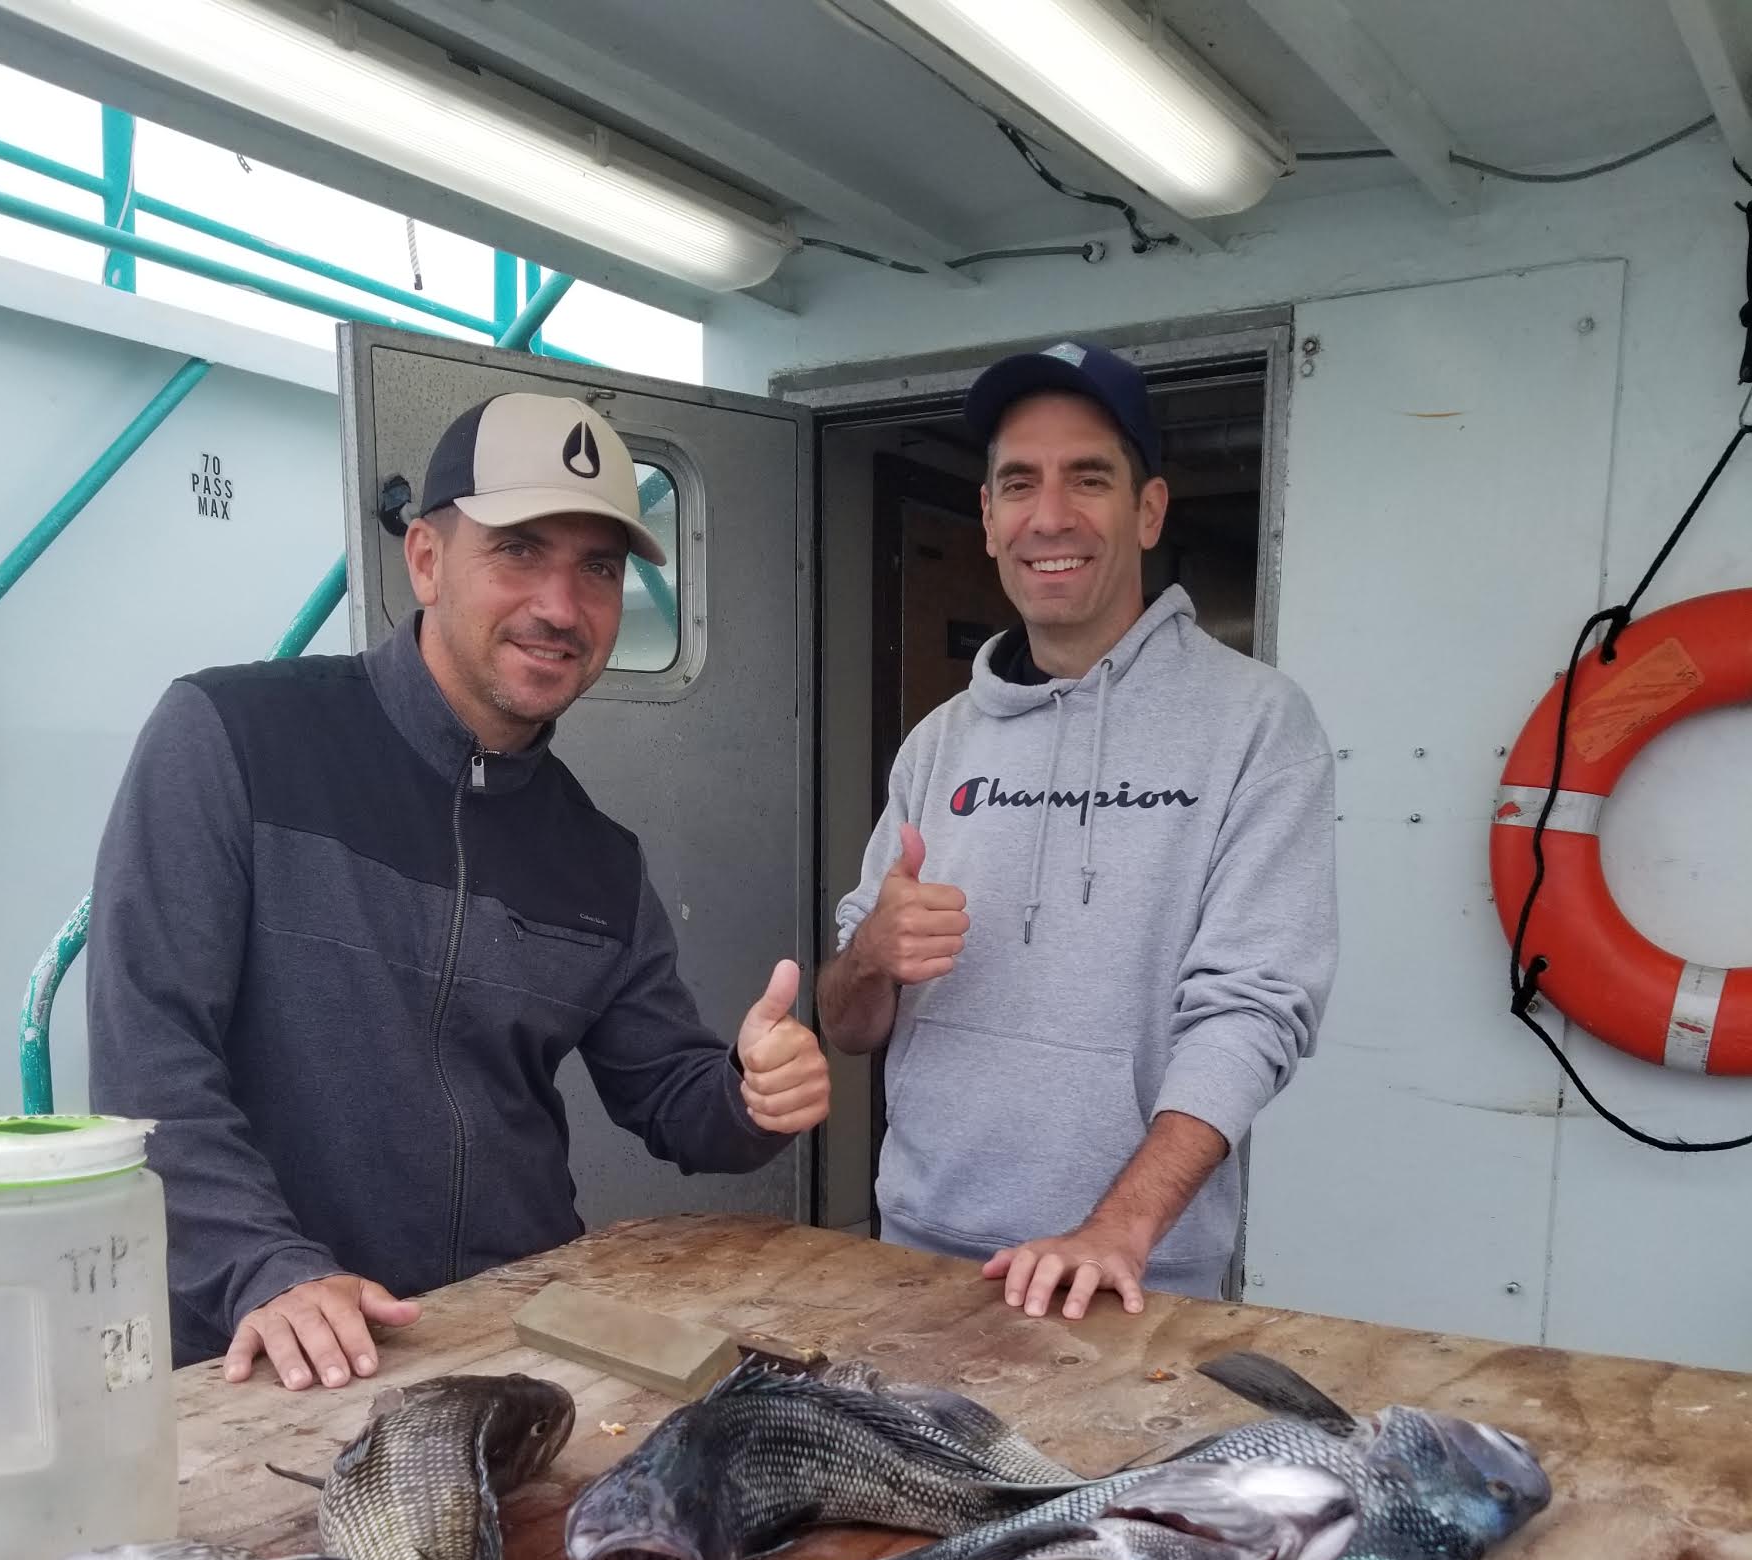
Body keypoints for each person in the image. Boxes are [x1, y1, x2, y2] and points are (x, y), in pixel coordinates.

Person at [89, 390, 829, 1389]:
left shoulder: (597, 856)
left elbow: (669, 1094)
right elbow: (149, 1069)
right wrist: (267, 1268)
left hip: (509, 1346)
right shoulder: (229, 739)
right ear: (427, 559)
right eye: (518, 550)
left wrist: (751, 1093)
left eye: (597, 568)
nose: (559, 606)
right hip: (267, 1352)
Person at [819, 339, 1334, 1321]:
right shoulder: (937, 742)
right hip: (919, 1256)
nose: (1048, 515)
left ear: (1148, 510)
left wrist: (1118, 1229)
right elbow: (849, 1027)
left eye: (1087, 478)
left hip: (1131, 1278)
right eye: (1019, 483)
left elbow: (1251, 1011)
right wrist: (870, 958)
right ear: (987, 518)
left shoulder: (1255, 724)